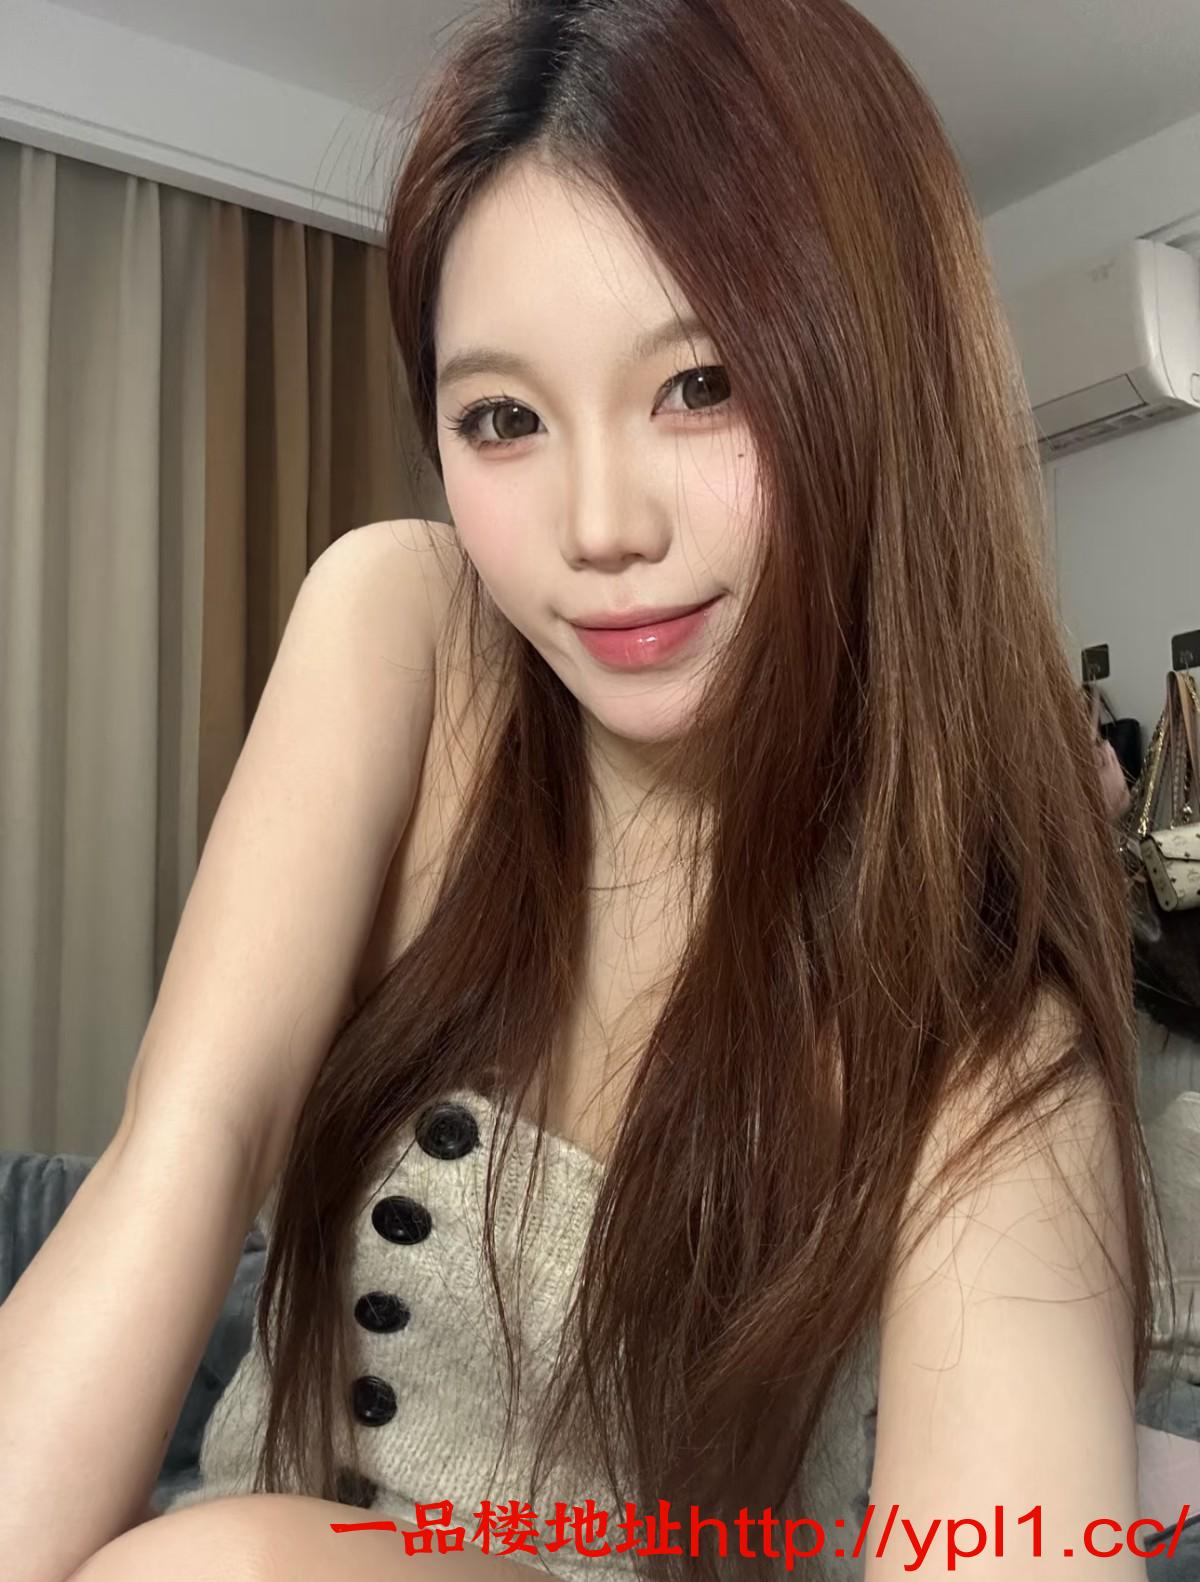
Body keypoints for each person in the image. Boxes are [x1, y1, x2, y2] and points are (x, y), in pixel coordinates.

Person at [0, 2, 1178, 1580]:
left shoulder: (986, 1031)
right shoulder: (414, 645)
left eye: (701, 384)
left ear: (885, 380)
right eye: (504, 418)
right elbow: (187, 1150)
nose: (601, 524)